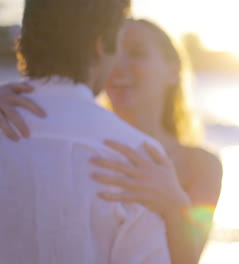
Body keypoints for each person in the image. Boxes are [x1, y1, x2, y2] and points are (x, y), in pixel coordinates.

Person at [0, 19, 223, 263]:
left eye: (137, 53)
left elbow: (188, 261)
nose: (119, 65)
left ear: (173, 70)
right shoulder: (74, 143)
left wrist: (173, 203)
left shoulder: (200, 166)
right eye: (112, 53)